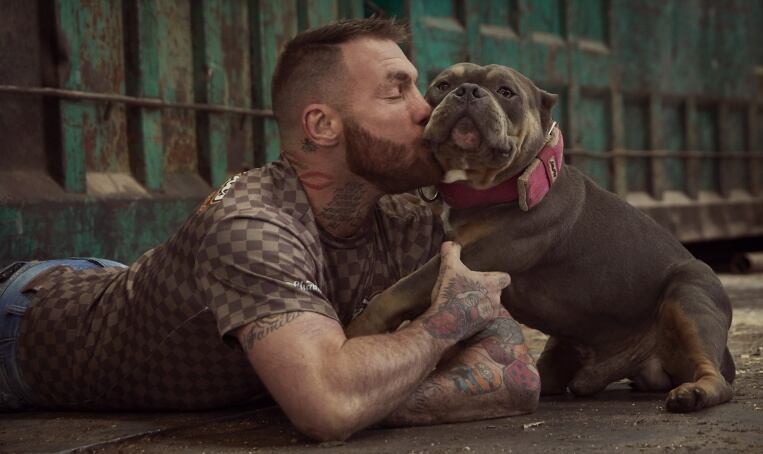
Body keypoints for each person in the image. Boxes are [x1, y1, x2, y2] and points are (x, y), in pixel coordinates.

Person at [0, 18, 539, 441]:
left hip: (125, 291)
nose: (429, 110)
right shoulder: (251, 226)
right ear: (322, 126)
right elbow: (328, 407)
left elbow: (517, 379)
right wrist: (441, 326)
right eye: (399, 93)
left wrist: (366, 393)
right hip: (27, 329)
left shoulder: (414, 215)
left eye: (422, 89)